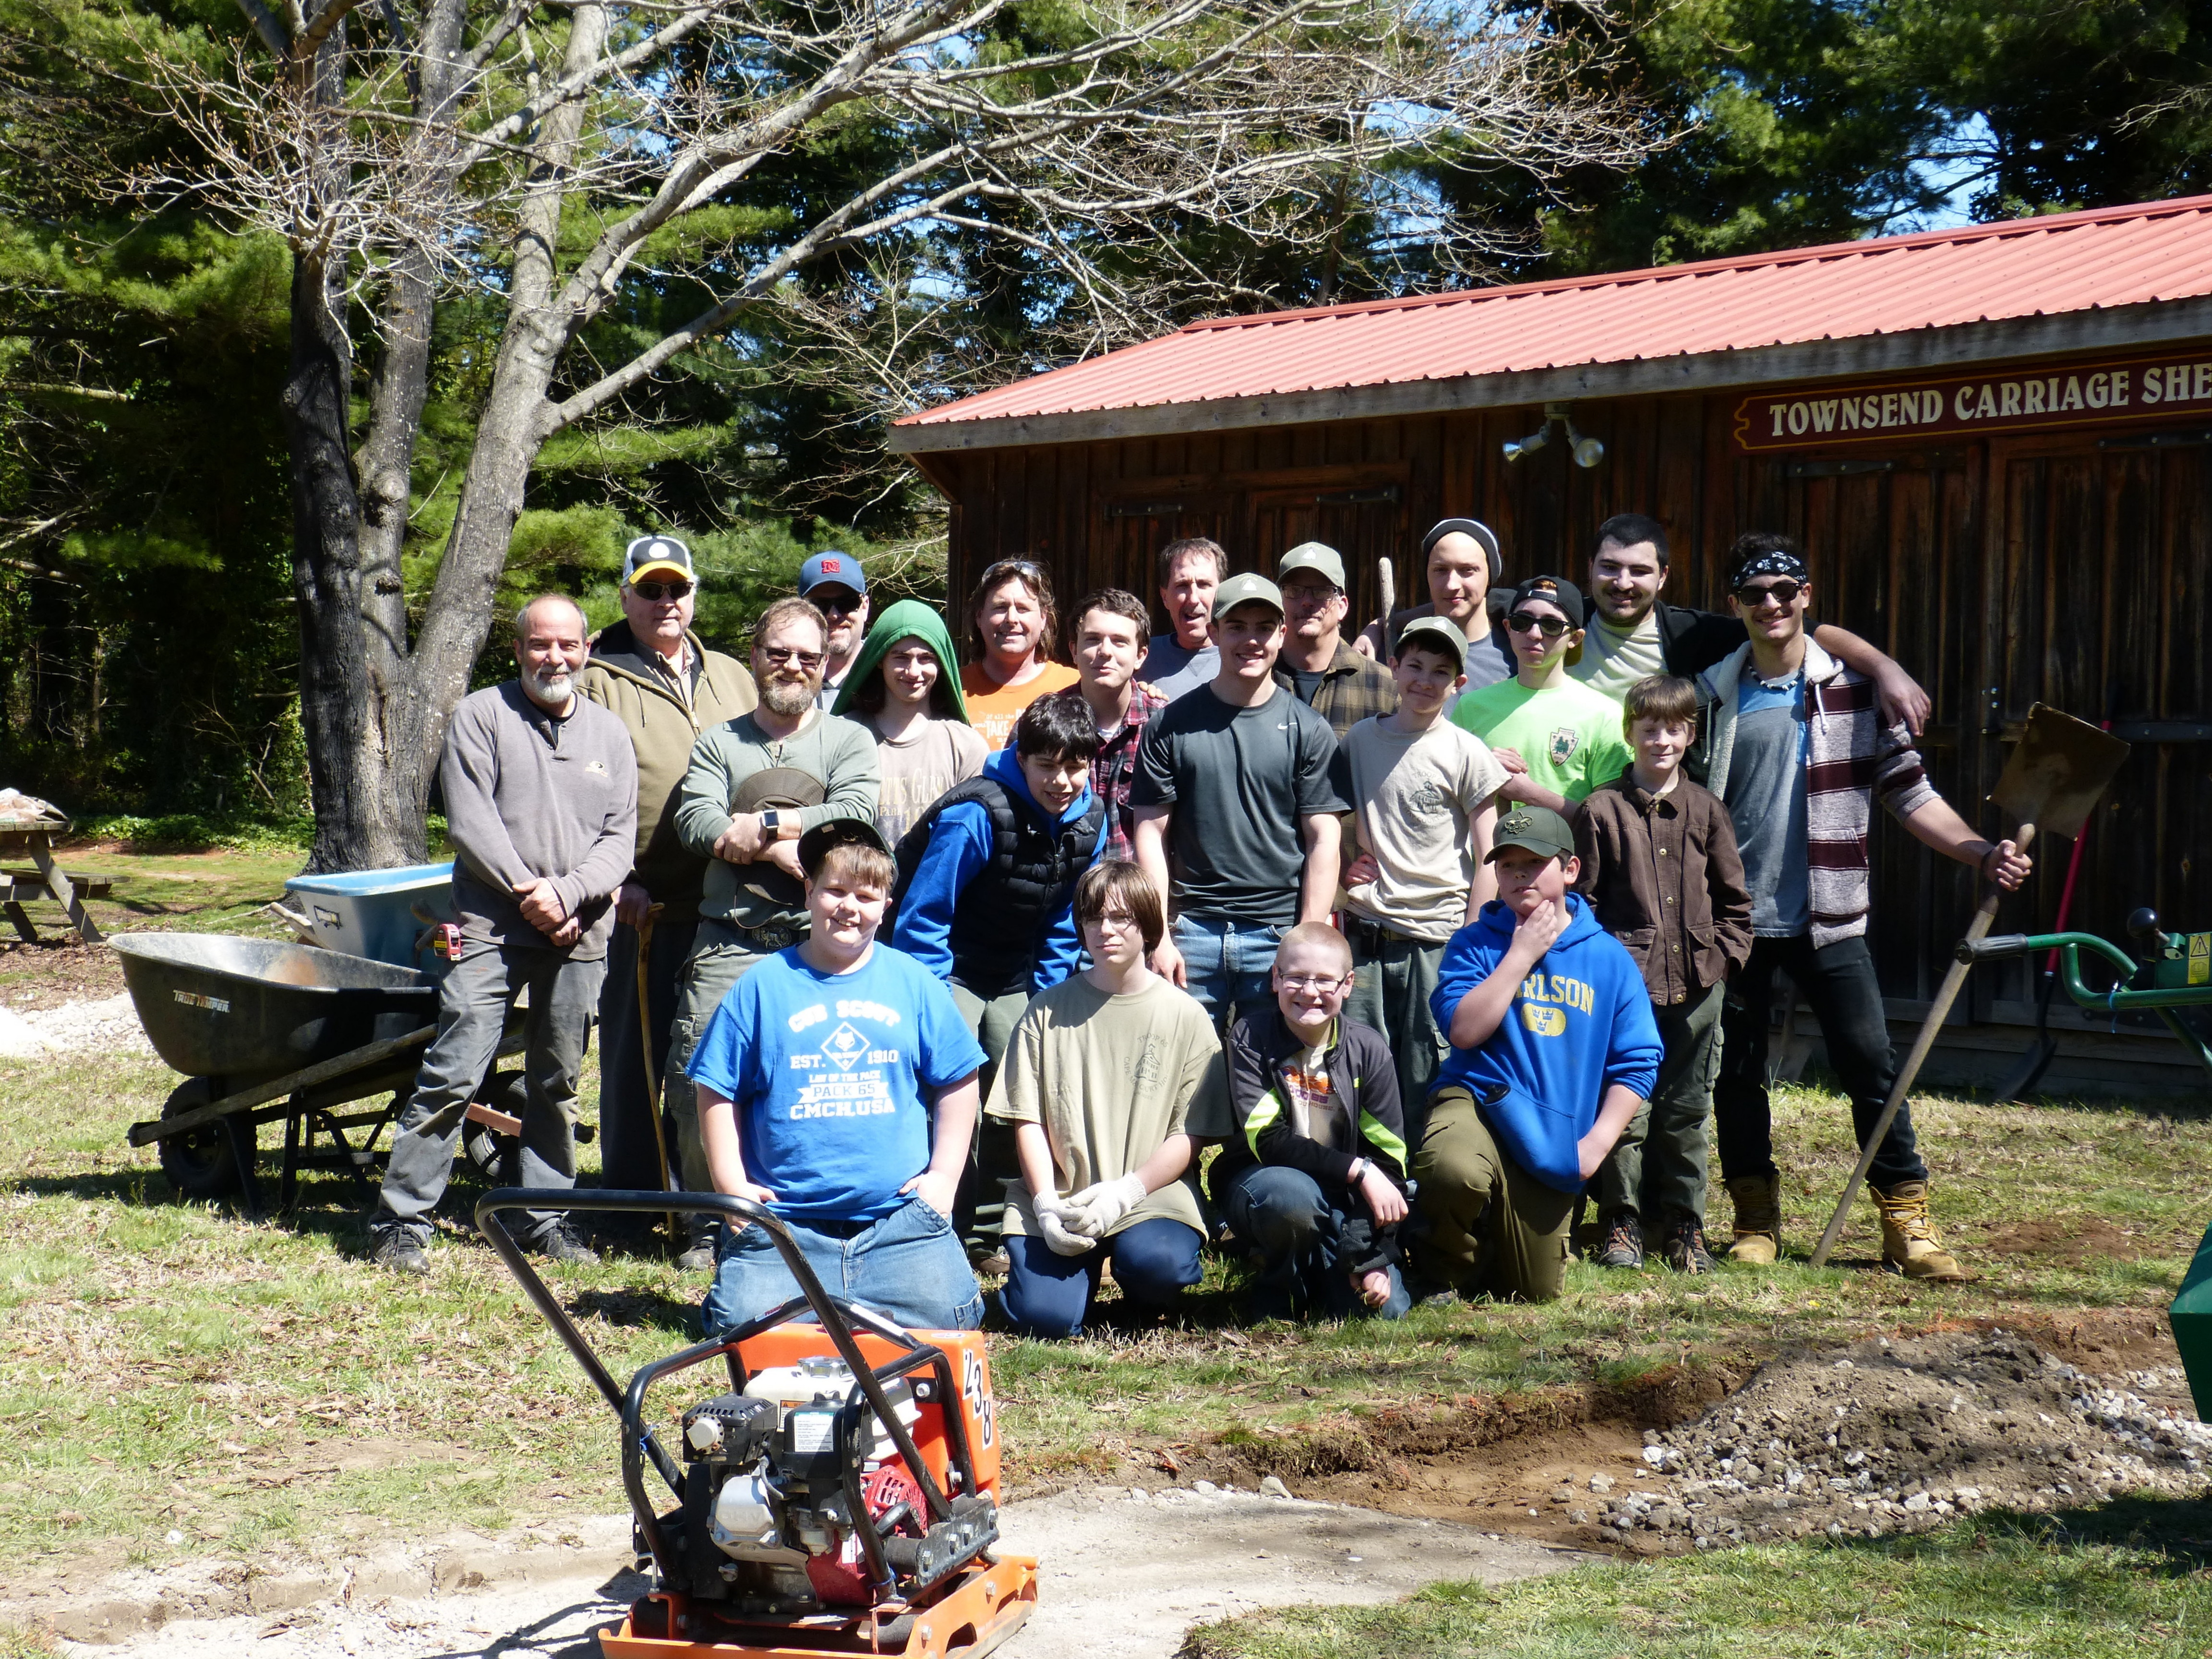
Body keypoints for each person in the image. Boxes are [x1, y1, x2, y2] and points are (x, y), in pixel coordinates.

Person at [1694, 534, 2029, 1281]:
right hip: (1735, 925)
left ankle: (1906, 1222)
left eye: (1786, 590)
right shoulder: (1711, 696)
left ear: (1807, 595)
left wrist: (1979, 851)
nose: (1771, 605)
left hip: (1831, 916)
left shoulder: (1846, 692)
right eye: (1755, 594)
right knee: (1737, 1076)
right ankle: (1755, 1220)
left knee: (1872, 1070)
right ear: (1735, 606)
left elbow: (1910, 793)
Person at [370, 595, 637, 1274]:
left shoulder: (610, 735)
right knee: (456, 1070)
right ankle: (402, 1221)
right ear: (518, 650)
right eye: (540, 645)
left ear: (586, 651)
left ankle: (542, 1217)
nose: (555, 657)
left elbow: (619, 841)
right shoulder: (481, 716)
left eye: (568, 646)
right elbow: (471, 824)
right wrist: (534, 893)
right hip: (489, 927)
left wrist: (570, 895)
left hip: (579, 930)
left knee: (557, 1079)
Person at [690, 820, 987, 1337]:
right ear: (809, 892)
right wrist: (730, 1186)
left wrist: (943, 1179)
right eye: (835, 891)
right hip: (787, 1225)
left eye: (867, 896)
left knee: (951, 1320)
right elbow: (716, 1088)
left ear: (886, 907)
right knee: (739, 1327)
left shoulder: (914, 983)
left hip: (900, 1224)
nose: (849, 907)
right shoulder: (760, 987)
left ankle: (852, 1298)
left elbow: (959, 1079)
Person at [666, 598, 880, 1268]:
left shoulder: (848, 740)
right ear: (755, 656)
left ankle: (802, 1213)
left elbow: (855, 810)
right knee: (695, 1072)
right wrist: (773, 853)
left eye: (808, 658)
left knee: (819, 1079)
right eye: (779, 653)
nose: (793, 667)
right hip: (729, 940)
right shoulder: (720, 743)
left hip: (817, 945)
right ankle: (705, 1221)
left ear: (826, 665)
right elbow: (696, 822)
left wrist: (758, 828)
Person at [579, 535, 759, 1241]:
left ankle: (700, 1205)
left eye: (676, 589)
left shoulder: (732, 677)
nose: (665, 603)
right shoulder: (599, 675)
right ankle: (626, 1206)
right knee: (633, 1055)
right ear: (625, 594)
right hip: (638, 902)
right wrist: (615, 876)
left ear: (694, 595)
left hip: (723, 902)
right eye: (649, 590)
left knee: (704, 1058)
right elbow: (579, 788)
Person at [1410, 806, 1662, 1303]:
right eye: (1507, 864)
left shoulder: (1607, 958)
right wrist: (1521, 954)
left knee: (1533, 1290)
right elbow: (1463, 1031)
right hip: (1480, 1102)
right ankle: (1441, 1268)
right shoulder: (1474, 944)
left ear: (1570, 870)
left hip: (1552, 1131)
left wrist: (1596, 1146)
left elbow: (1638, 1060)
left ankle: (1486, 1246)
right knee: (1451, 1168)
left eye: (1535, 861)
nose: (1519, 873)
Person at [891, 695, 1106, 1256]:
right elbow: (924, 916)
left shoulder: (1091, 821)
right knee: (950, 1074)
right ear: (1021, 756)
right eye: (1047, 766)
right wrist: (934, 999)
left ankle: (993, 1228)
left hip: (1016, 971)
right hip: (950, 966)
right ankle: (935, 1216)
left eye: (1075, 766)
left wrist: (1048, 993)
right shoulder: (978, 814)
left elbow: (1066, 918)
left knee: (1021, 1080)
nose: (1062, 781)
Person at [989, 862, 1230, 1337]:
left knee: (1159, 1268)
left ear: (1148, 925)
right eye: (1094, 918)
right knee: (1043, 1319)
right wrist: (1043, 1203)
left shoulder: (1187, 1017)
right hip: (1062, 1198)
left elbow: (1191, 1133)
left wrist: (1127, 1193)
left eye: (1122, 918)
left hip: (1150, 1197)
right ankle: (1062, 1280)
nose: (1106, 931)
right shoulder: (1044, 1012)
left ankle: (1135, 1275)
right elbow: (1027, 1120)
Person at [1572, 674, 1752, 1274]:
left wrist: (1724, 956)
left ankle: (1685, 1224)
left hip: (1699, 986)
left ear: (1690, 734)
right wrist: (1605, 972)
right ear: (1630, 734)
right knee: (1626, 1108)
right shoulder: (1601, 811)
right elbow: (1584, 904)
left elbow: (1735, 902)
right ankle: (1621, 1221)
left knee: (1687, 1109)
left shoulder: (1706, 809)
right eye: (1649, 729)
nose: (1661, 740)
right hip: (1627, 992)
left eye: (1673, 729)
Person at [1131, 573, 1346, 1022]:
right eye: (1237, 627)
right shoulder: (1169, 725)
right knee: (1183, 1082)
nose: (1252, 640)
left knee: (1273, 1079)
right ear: (1213, 632)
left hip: (1276, 934)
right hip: (1190, 934)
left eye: (1264, 627)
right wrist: (1159, 937)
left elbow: (1324, 839)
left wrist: (1303, 940)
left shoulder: (1309, 730)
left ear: (1282, 633)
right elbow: (1149, 834)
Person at [1336, 615, 1506, 1142]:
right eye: (1414, 666)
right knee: (1358, 1067)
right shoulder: (1359, 742)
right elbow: (1332, 820)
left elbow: (1491, 855)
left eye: (1440, 672)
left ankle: (1419, 1198)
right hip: (1366, 937)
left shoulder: (1466, 751)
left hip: (1436, 941)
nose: (1424, 681)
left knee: (1425, 1071)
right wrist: (1345, 870)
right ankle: (1364, 1188)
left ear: (1459, 683)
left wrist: (1472, 937)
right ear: (1393, 668)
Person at [1576, 513, 1932, 732]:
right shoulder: (1553, 621)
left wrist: (1886, 668)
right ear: (1590, 566)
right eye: (1610, 567)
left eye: (1639, 571)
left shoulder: (1690, 635)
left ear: (1663, 577)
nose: (1623, 583)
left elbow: (1805, 628)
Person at [1217, 923, 1412, 1321]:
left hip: (1342, 1195)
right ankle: (1280, 1288)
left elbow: (1389, 1161)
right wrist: (1358, 1170)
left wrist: (1369, 1251)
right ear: (1275, 978)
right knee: (1292, 1198)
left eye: (1325, 980)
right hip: (1266, 1181)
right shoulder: (1251, 1037)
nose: (1310, 992)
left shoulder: (1368, 1050)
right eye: (1296, 978)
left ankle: (1325, 1268)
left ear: (1348, 984)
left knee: (1386, 1311)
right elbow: (1268, 1140)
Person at [1450, 576, 1634, 813]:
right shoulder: (1470, 705)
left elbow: (1609, 822)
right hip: (1484, 851)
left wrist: (1526, 793)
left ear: (1575, 638)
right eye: (1522, 622)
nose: (1535, 634)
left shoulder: (1605, 715)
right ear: (1508, 627)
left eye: (1551, 626)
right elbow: (1445, 796)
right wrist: (1481, 769)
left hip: (1568, 851)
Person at [831, 598, 989, 846]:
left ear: (941, 663)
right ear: (880, 659)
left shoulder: (965, 746)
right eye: (901, 658)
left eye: (926, 658)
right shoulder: (842, 735)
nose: (914, 672)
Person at [1052, 588, 1168, 861]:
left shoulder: (1166, 726)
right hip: (1062, 897)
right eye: (1093, 640)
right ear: (1074, 651)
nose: (1105, 651)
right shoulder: (1042, 721)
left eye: (1119, 642)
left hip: (1139, 896)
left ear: (1140, 655)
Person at [1354, 518, 1516, 701]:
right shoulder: (1390, 653)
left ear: (1490, 576)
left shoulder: (1518, 654)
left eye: (1468, 570)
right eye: (1440, 570)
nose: (1452, 584)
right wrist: (1379, 626)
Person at [1273, 541, 1397, 739]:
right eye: (1295, 590)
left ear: (1342, 607)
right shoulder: (1258, 679)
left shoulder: (1384, 688)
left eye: (1322, 591)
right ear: (1279, 601)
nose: (1307, 601)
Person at [960, 558, 1080, 747]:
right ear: (980, 617)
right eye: (1000, 607)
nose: (1012, 619)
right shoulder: (955, 689)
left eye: (1023, 609)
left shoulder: (1076, 686)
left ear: (1043, 618)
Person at [1143, 537, 1225, 699]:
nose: (1194, 598)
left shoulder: (1244, 657)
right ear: (1165, 597)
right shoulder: (1140, 658)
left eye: (1204, 585)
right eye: (1182, 586)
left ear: (1222, 593)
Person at [799, 551, 870, 710]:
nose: (833, 615)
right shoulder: (787, 677)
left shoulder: (887, 676)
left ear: (865, 607)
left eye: (847, 603)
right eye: (819, 605)